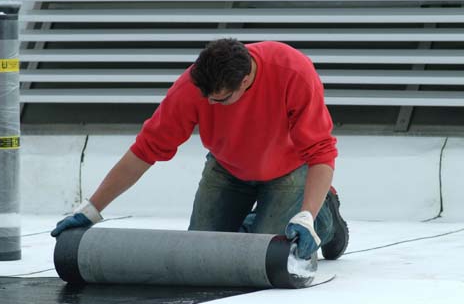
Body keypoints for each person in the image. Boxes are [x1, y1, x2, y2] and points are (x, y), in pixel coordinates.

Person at [51, 39, 349, 260]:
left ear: (246, 81)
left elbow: (321, 152)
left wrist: (305, 216)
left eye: (220, 100)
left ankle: (324, 213)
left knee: (268, 253)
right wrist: (92, 208)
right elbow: (145, 150)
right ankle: (269, 218)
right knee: (202, 252)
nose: (210, 105)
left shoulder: (292, 71)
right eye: (206, 97)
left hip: (288, 170)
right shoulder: (194, 87)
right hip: (228, 168)